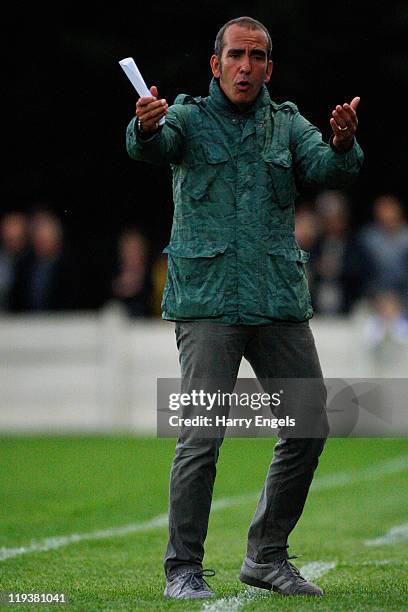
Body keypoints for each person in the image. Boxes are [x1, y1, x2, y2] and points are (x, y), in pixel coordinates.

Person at [126, 16, 363, 599]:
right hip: (207, 302)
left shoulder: (287, 125)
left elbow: (330, 167)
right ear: (216, 64)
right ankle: (182, 567)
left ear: (269, 68)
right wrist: (145, 127)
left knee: (309, 426)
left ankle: (266, 556)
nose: (246, 66)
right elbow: (152, 146)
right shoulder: (186, 117)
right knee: (201, 437)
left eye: (257, 57)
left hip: (277, 301)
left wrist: (342, 142)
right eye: (236, 55)